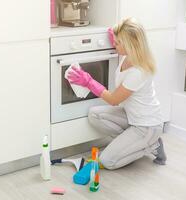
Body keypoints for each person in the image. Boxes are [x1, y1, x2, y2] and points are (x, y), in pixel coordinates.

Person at [67, 18, 167, 170]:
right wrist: (117, 36)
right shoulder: (128, 56)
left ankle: (152, 145)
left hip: (147, 126)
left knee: (107, 161)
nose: (114, 44)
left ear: (130, 46)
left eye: (118, 43)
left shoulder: (138, 72)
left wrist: (88, 82)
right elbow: (121, 37)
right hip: (131, 116)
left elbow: (114, 100)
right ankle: (130, 143)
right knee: (95, 115)